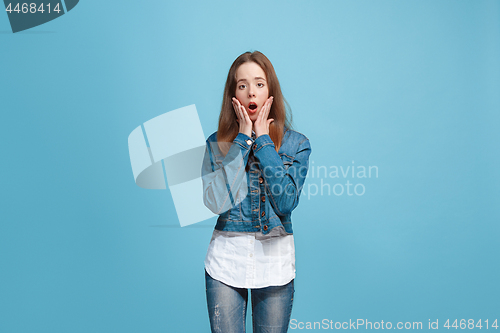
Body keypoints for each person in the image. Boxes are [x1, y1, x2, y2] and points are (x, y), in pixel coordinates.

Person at [201, 50, 311, 333]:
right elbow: (216, 202)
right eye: (243, 85)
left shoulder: (296, 144)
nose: (252, 92)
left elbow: (286, 202)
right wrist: (241, 140)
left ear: (270, 91)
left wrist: (262, 140)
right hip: (226, 263)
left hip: (275, 264)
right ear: (233, 95)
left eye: (259, 84)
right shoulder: (217, 143)